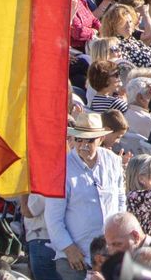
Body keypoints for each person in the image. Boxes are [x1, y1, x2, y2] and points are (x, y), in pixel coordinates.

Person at [48, 113, 126, 280]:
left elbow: (120, 201)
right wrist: (69, 248)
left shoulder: (113, 161)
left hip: (108, 255)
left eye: (89, 140)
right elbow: (53, 218)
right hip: (75, 258)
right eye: (78, 140)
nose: (83, 145)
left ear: (101, 139)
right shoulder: (60, 168)